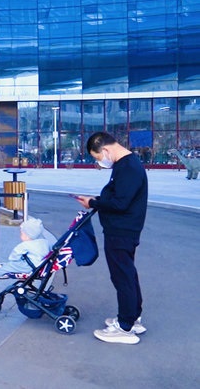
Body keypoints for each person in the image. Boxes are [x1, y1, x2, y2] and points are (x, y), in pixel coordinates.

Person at [74, 131, 148, 345]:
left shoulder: (128, 167)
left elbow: (120, 203)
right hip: (123, 229)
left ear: (105, 149)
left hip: (121, 231)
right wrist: (96, 200)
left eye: (97, 157)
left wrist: (93, 203)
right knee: (127, 273)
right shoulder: (126, 165)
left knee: (122, 277)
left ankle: (125, 326)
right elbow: (119, 197)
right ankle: (132, 317)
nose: (100, 162)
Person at [0, 217, 51, 284]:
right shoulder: (45, 242)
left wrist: (13, 261)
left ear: (27, 235)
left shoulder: (26, 245)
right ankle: (3, 266)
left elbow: (15, 255)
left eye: (22, 233)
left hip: (29, 267)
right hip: (40, 266)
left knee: (10, 266)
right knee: (15, 264)